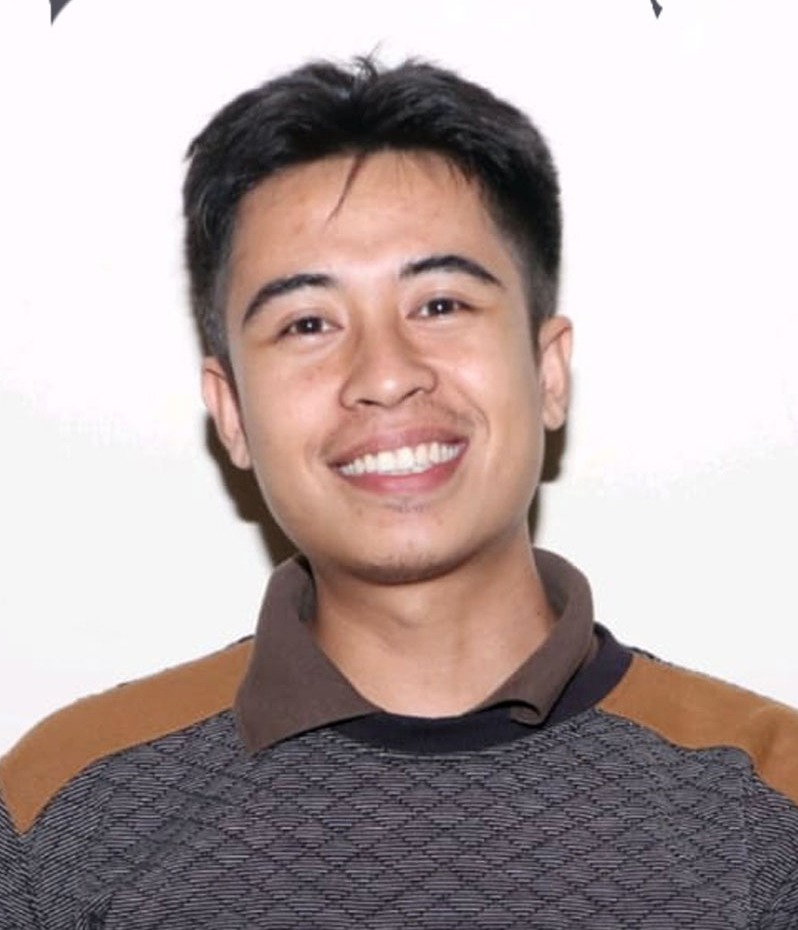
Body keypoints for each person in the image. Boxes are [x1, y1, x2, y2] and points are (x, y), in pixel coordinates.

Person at [1, 57, 796, 929]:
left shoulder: (769, 802)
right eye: (308, 323)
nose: (384, 375)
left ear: (548, 370)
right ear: (230, 413)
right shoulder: (60, 813)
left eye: (440, 305)